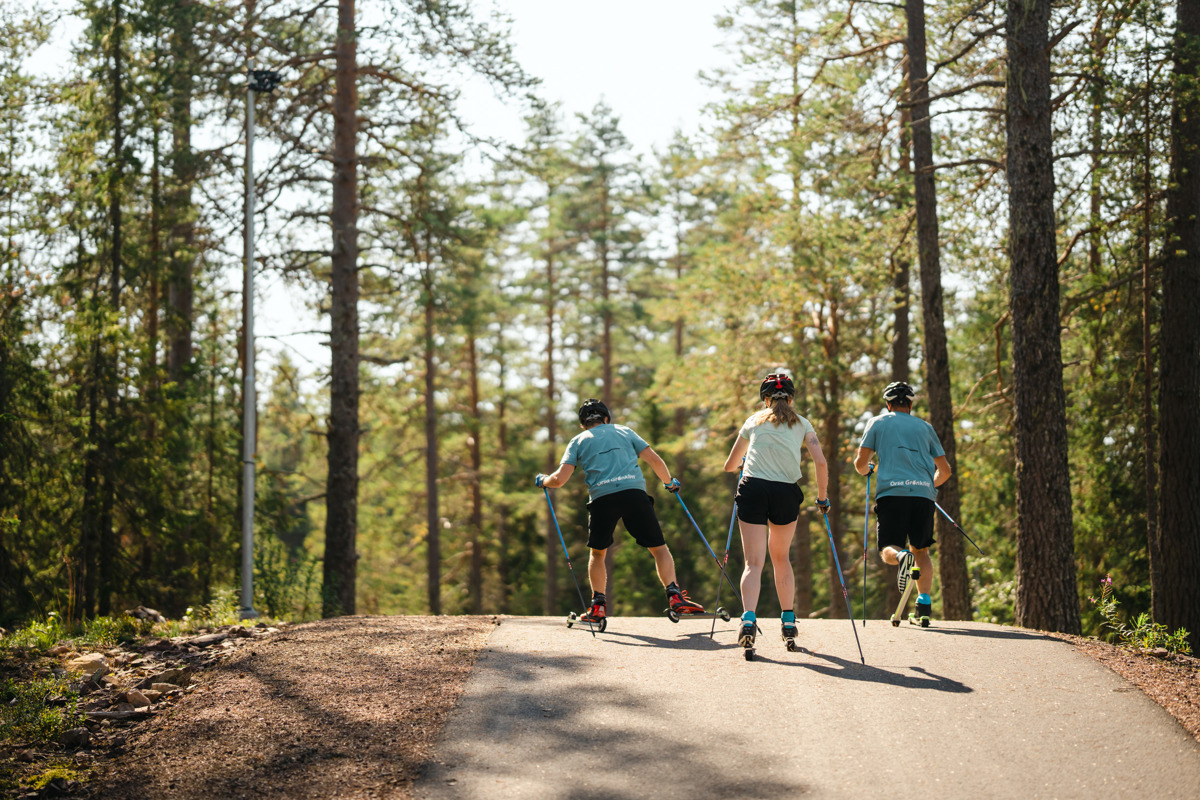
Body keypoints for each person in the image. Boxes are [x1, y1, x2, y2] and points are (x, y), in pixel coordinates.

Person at [536, 398, 705, 625]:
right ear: (606, 418)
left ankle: (598, 606)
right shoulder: (624, 431)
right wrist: (669, 482)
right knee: (659, 548)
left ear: (583, 423)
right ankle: (674, 596)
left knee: (598, 553)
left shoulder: (578, 441)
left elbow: (559, 480)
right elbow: (654, 459)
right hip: (634, 494)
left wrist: (543, 481)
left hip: (601, 500)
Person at [722, 373, 828, 649]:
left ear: (765, 399)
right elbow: (821, 462)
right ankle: (789, 621)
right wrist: (822, 498)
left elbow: (729, 465)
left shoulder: (754, 421)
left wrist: (745, 460)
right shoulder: (803, 424)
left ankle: (748, 619)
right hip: (785, 492)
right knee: (781, 558)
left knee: (753, 563)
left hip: (753, 488)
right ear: (791, 399)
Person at [853, 381, 952, 625]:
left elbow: (860, 463)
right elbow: (945, 471)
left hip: (892, 494)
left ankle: (900, 558)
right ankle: (924, 607)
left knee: (889, 548)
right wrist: (930, 486)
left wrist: (868, 470)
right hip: (923, 496)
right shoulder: (925, 427)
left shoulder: (877, 423)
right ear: (910, 403)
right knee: (923, 551)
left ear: (888, 404)